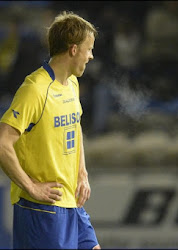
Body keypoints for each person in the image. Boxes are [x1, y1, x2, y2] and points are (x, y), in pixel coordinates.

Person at [0, 11, 101, 249]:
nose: (92, 56)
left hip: (71, 203)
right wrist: (31, 186)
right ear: (74, 49)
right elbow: (3, 143)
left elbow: (74, 129)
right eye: (89, 49)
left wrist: (82, 173)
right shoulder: (34, 89)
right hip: (41, 208)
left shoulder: (71, 84)